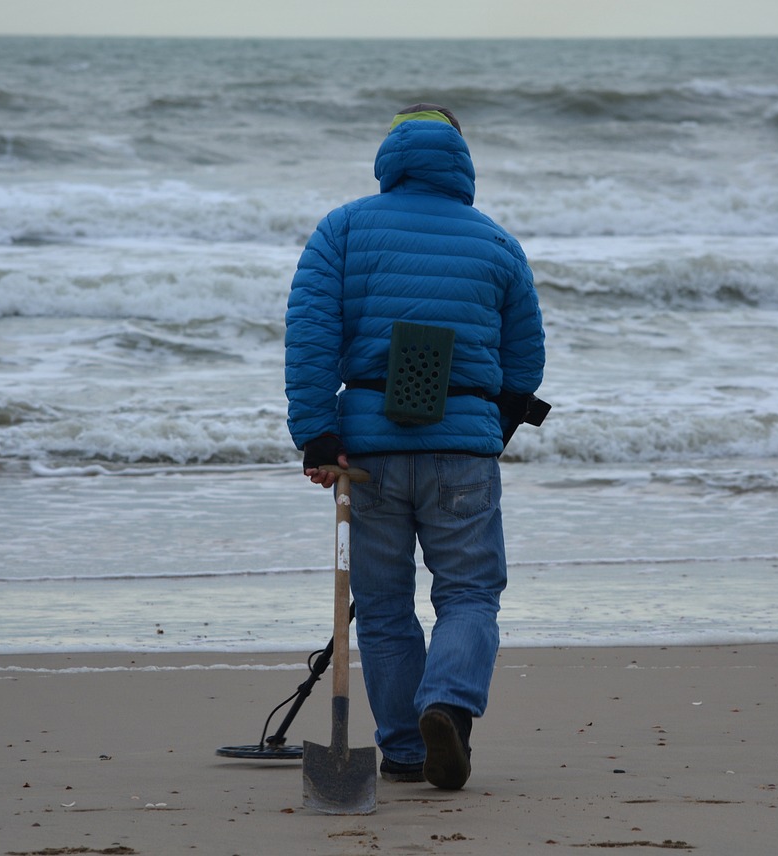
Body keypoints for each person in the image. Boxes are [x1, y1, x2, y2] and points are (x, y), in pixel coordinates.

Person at [284, 103, 546, 791]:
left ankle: (403, 748)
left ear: (390, 157)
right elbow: (525, 365)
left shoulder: (341, 231)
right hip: (462, 447)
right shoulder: (497, 244)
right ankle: (448, 706)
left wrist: (317, 437)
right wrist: (495, 428)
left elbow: (310, 337)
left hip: (366, 450)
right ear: (460, 158)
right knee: (468, 593)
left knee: (383, 602)